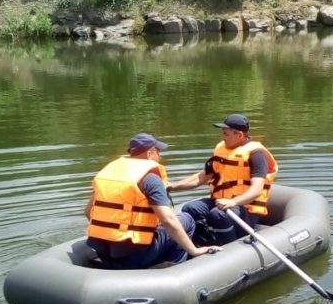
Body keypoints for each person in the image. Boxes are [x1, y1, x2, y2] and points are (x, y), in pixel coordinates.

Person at [85, 132, 221, 269]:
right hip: (134, 256)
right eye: (158, 151)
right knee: (187, 220)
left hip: (104, 252)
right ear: (150, 153)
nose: (160, 155)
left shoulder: (108, 173)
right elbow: (168, 220)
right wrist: (195, 251)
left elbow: (88, 211)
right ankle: (174, 267)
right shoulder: (150, 179)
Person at [168, 114, 278, 245]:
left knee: (218, 214)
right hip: (222, 202)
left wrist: (233, 202)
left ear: (239, 135)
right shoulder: (222, 150)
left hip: (245, 208)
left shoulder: (257, 154)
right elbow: (201, 177)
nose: (222, 137)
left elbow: (257, 189)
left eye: (226, 134)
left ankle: (229, 247)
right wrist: (172, 186)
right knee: (191, 208)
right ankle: (203, 243)